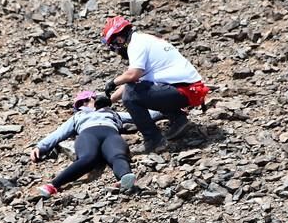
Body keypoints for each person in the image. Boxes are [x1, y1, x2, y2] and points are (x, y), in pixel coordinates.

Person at [101, 16, 209, 154]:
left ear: (119, 39)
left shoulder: (136, 44)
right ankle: (178, 120)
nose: (116, 50)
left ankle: (153, 140)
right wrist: (108, 100)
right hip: (187, 89)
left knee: (131, 96)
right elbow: (133, 81)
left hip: (185, 90)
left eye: (114, 46)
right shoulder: (143, 39)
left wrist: (112, 83)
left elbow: (132, 76)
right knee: (138, 89)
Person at [30, 91, 136, 198]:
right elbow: (60, 132)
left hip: (111, 134)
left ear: (96, 99)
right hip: (88, 134)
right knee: (88, 158)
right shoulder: (78, 116)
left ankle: (125, 178)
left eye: (86, 100)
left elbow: (142, 115)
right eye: (80, 104)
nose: (84, 104)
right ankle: (52, 185)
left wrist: (152, 103)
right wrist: (41, 146)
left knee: (117, 155)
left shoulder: (112, 113)